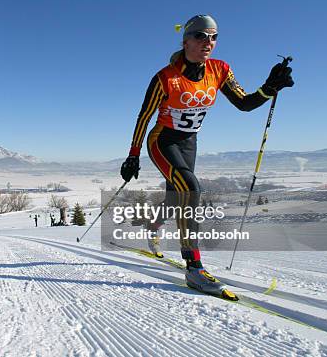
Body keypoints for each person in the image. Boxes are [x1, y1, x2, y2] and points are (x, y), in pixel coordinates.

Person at [120, 15, 293, 299]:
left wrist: (269, 88)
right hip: (162, 141)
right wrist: (133, 155)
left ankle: (154, 225)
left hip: (189, 143)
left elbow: (244, 103)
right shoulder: (166, 77)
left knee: (177, 196)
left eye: (213, 37)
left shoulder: (220, 70)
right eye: (201, 36)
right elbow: (144, 116)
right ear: (185, 40)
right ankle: (194, 268)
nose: (208, 43)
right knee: (192, 189)